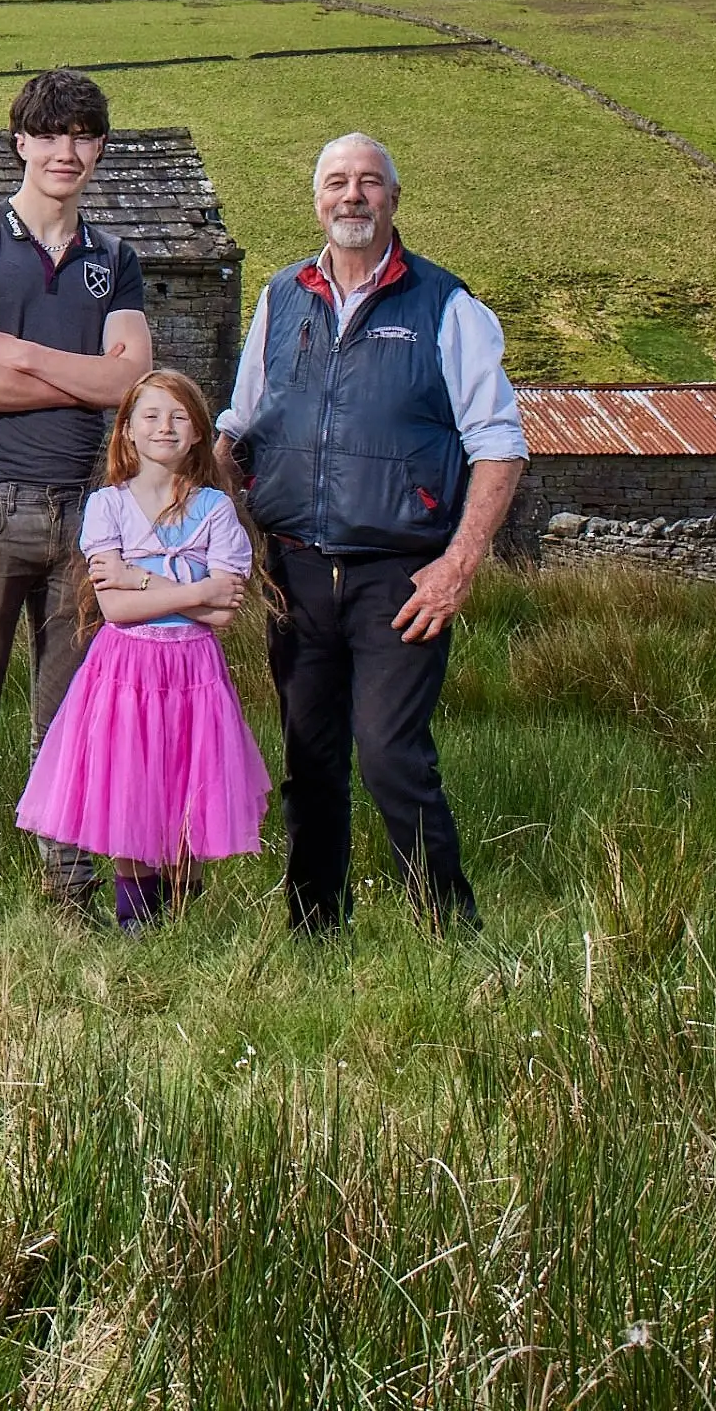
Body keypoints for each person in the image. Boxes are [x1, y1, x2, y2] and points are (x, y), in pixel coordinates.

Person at [215, 133, 527, 935]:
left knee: (392, 757)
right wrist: (230, 535)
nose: (352, 197)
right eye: (336, 183)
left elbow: (498, 443)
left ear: (395, 197)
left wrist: (459, 564)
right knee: (309, 763)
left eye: (368, 183)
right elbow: (238, 426)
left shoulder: (447, 306)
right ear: (316, 197)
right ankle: (316, 930)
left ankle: (447, 931)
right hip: (297, 571)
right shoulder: (281, 299)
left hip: (402, 576)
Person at [0, 68, 155, 929]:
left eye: (85, 135)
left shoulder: (117, 259)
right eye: (50, 134)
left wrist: (24, 355)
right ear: (20, 142)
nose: (67, 151)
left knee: (68, 720)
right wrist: (87, 379)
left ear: (99, 148)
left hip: (86, 514)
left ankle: (69, 893)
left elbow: (132, 385)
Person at [15, 369, 273, 929]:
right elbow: (116, 610)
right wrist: (196, 589)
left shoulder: (215, 509)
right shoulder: (108, 506)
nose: (165, 427)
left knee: (187, 792)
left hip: (193, 671)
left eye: (180, 416)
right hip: (126, 669)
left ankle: (178, 926)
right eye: (151, 416)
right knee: (132, 793)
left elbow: (224, 612)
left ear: (200, 433)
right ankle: (136, 927)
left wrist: (141, 577)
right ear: (127, 430)